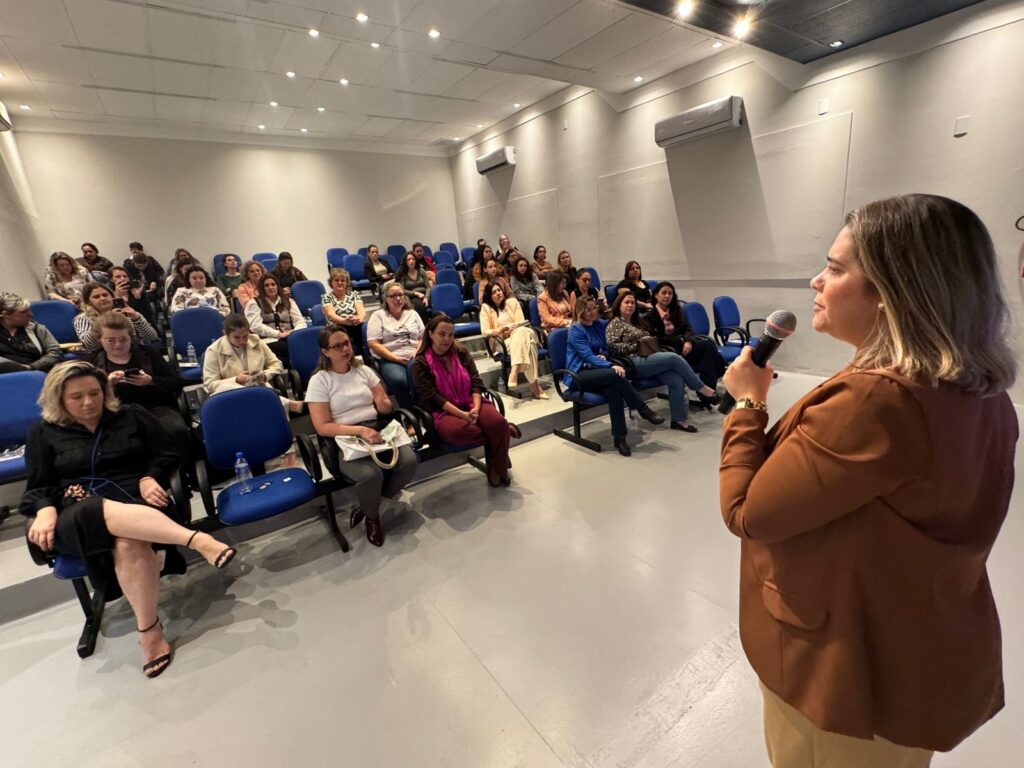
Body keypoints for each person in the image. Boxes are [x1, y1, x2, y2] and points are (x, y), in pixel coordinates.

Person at [719, 194, 1018, 764]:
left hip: (842, 668)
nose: (816, 281)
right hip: (913, 644)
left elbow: (747, 512)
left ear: (891, 292)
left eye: (834, 269)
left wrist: (747, 407)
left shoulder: (877, 400)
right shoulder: (982, 392)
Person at [22, 360, 237, 678]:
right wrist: (44, 508)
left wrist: (151, 477)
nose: (88, 402)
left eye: (94, 393)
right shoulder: (43, 431)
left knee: (127, 544)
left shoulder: (130, 415)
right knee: (91, 510)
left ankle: (148, 631)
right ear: (59, 399)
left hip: (134, 500)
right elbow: (39, 485)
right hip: (75, 509)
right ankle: (193, 538)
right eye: (76, 397)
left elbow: (167, 453)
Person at [307, 326, 418, 547]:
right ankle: (373, 518)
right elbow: (322, 427)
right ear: (326, 352)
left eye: (346, 343)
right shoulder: (320, 380)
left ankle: (370, 507)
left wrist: (384, 404)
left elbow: (384, 407)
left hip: (375, 427)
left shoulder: (364, 371)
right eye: (337, 346)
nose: (344, 349)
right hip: (344, 437)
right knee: (369, 475)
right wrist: (359, 430)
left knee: (409, 461)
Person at [413, 315, 521, 488]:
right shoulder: (420, 363)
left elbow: (476, 382)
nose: (447, 339)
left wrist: (476, 409)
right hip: (444, 411)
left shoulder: (461, 352)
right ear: (431, 334)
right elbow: (433, 397)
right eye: (442, 334)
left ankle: (496, 467)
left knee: (496, 422)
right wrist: (463, 415)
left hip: (471, 401)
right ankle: (503, 432)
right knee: (464, 432)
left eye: (450, 335)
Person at [89, 312, 191, 471]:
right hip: (117, 414)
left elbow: (175, 383)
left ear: (131, 337)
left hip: (156, 409)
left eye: (124, 339)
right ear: (99, 340)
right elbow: (88, 399)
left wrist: (151, 381)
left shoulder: (148, 353)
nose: (118, 345)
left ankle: (182, 474)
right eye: (110, 340)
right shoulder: (93, 364)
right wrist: (107, 386)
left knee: (176, 431)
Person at [565, 297, 665, 456]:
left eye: (594, 308)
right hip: (579, 374)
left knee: (614, 391)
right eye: (588, 310)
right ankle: (643, 409)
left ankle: (620, 438)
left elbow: (604, 348)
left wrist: (604, 357)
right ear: (580, 311)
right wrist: (610, 365)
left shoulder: (598, 325)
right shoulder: (576, 330)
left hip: (597, 371)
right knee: (615, 374)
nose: (592, 312)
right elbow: (587, 356)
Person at [606, 293, 716, 432]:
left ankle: (679, 420)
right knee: (674, 358)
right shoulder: (615, 323)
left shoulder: (637, 321)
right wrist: (637, 345)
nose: (630, 305)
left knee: (676, 379)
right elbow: (613, 348)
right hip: (633, 362)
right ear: (618, 305)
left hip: (649, 357)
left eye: (632, 303)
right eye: (626, 302)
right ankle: (699, 387)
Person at [202, 313, 304, 412]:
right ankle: (286, 403)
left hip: (258, 387)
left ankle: (283, 404)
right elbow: (210, 384)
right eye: (237, 337)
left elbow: (276, 364)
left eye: (245, 336)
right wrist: (236, 380)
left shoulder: (256, 342)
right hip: (229, 394)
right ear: (226, 334)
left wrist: (265, 375)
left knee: (256, 391)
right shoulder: (213, 350)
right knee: (253, 393)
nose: (242, 341)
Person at [645, 281, 726, 401]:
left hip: (684, 346)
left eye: (670, 293)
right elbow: (657, 339)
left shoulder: (676, 311)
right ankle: (711, 386)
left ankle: (707, 391)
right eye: (664, 293)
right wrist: (681, 340)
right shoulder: (649, 317)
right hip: (670, 351)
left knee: (707, 346)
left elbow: (687, 329)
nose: (667, 296)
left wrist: (688, 341)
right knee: (708, 354)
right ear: (656, 295)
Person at [479, 282, 546, 399]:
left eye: (499, 290)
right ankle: (534, 385)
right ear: (489, 296)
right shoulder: (486, 308)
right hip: (502, 341)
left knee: (522, 332)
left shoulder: (513, 302)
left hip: (517, 334)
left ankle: (514, 371)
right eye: (493, 292)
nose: (497, 293)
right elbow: (485, 331)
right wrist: (499, 330)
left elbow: (521, 322)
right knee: (529, 343)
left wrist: (510, 329)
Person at [365, 284, 424, 408]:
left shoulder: (412, 313)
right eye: (393, 296)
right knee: (399, 380)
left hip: (415, 355)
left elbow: (422, 338)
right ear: (386, 298)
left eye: (400, 295)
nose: (398, 298)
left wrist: (417, 352)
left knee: (423, 373)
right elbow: (373, 343)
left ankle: (425, 407)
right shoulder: (378, 316)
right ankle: (409, 412)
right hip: (390, 358)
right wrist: (394, 358)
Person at [74, 282, 159, 354]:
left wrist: (137, 319)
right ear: (88, 301)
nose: (102, 298)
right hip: (101, 356)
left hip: (134, 352)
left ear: (112, 296)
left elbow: (151, 337)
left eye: (105, 295)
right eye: (96, 297)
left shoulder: (125, 312)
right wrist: (106, 319)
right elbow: (88, 343)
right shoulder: (83, 319)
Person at [244, 272, 307, 366]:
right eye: (266, 285)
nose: (271, 287)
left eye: (273, 284)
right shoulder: (254, 303)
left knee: (304, 345)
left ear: (277, 286)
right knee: (290, 350)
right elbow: (255, 326)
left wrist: (294, 333)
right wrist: (278, 334)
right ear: (262, 288)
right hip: (267, 340)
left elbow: (300, 321)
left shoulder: (288, 301)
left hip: (289, 338)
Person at [0, 293, 62, 374]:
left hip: (40, 372)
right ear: (5, 314)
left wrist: (31, 367)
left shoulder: (36, 328)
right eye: (23, 312)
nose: (30, 314)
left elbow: (55, 352)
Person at [321, 268, 366, 350]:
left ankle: (366, 357)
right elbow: (331, 314)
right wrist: (345, 321)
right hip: (336, 327)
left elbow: (361, 311)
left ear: (347, 283)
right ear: (331, 282)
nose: (340, 283)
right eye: (336, 280)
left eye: (343, 280)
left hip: (355, 324)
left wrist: (358, 318)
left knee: (365, 328)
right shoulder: (326, 297)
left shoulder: (354, 294)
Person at [395, 252, 431, 319]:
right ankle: (424, 326)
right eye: (409, 260)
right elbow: (402, 290)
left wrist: (427, 297)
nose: (411, 261)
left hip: (425, 295)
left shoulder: (421, 271)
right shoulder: (403, 274)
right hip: (412, 297)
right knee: (419, 305)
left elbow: (428, 287)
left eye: (413, 259)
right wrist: (415, 293)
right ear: (405, 262)